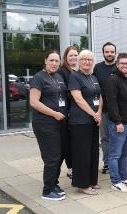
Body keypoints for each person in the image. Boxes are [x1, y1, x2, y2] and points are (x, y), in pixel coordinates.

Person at [30, 51, 67, 201]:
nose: (54, 63)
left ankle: (54, 183)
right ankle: (47, 191)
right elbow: (34, 102)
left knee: (59, 156)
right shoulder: (39, 78)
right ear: (45, 61)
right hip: (45, 124)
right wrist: (54, 113)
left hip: (59, 123)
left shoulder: (58, 76)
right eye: (51, 60)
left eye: (56, 61)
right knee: (52, 157)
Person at [69, 50, 102, 195]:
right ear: (79, 61)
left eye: (89, 59)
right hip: (80, 121)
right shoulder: (74, 76)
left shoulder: (93, 77)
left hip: (94, 120)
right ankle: (82, 184)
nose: (87, 62)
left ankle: (92, 181)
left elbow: (100, 96)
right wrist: (94, 113)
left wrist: (99, 113)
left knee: (93, 152)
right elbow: (78, 99)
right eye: (84, 59)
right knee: (82, 154)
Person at [107, 53, 127, 193]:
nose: (125, 65)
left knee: (124, 153)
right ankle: (115, 182)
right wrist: (118, 122)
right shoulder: (113, 79)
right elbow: (112, 103)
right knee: (115, 154)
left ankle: (123, 178)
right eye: (122, 63)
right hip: (119, 124)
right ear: (117, 64)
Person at [93, 42, 117, 174]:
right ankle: (107, 163)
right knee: (105, 138)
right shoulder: (97, 68)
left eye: (112, 52)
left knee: (118, 137)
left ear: (115, 53)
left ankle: (117, 162)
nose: (109, 54)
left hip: (119, 110)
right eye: (107, 52)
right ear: (103, 53)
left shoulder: (119, 67)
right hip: (103, 110)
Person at [58, 46, 78, 179]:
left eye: (76, 55)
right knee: (67, 142)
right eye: (71, 55)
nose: (73, 58)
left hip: (73, 112)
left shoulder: (74, 71)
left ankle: (73, 167)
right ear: (65, 57)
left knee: (73, 142)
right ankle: (70, 169)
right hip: (66, 112)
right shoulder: (62, 72)